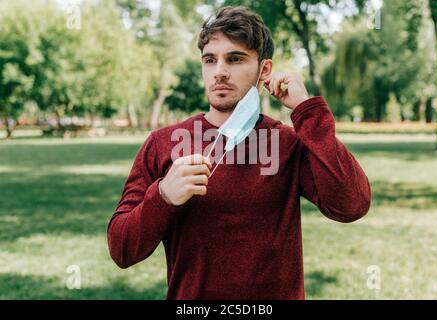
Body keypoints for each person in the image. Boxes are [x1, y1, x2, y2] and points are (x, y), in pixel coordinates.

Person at [107, 6, 371, 300]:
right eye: (210, 60)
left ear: (264, 70)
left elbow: (352, 205)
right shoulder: (163, 143)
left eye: (235, 59)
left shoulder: (287, 143)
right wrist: (164, 196)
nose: (219, 71)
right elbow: (122, 249)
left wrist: (306, 111)